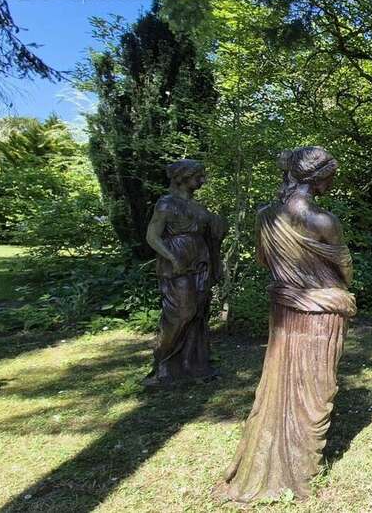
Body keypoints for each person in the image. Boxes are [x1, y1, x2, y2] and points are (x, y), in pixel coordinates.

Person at [218, 147, 355, 502]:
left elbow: (266, 260)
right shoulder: (325, 221)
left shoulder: (266, 217)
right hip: (322, 312)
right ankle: (296, 470)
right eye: (331, 174)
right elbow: (345, 270)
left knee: (280, 381)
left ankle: (276, 461)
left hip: (285, 308)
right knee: (315, 387)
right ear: (318, 176)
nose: (333, 181)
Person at [143, 159, 226, 387]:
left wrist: (218, 228)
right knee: (181, 313)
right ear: (182, 177)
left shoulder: (199, 208)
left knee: (198, 314)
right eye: (198, 176)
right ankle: (163, 363)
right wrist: (172, 257)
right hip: (177, 265)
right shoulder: (167, 204)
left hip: (201, 264)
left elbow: (213, 235)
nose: (203, 180)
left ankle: (191, 363)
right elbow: (152, 236)